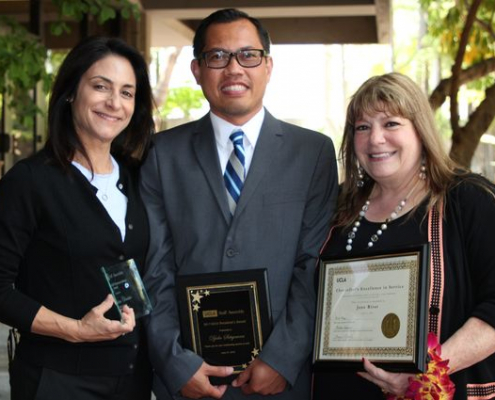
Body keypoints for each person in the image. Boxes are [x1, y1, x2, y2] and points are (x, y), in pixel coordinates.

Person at [140, 8, 338, 400]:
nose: (234, 68)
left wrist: (283, 358)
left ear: (268, 66)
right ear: (197, 70)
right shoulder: (162, 154)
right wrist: (176, 362)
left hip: (279, 380)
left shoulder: (312, 152)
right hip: (189, 379)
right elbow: (154, 269)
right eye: (218, 57)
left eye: (248, 55)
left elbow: (314, 265)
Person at [313, 72, 495, 399]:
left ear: (420, 130)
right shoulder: (336, 209)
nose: (375, 139)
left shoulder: (468, 201)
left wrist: (428, 371)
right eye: (362, 127)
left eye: (391, 124)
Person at [0, 36, 155, 399]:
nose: (114, 103)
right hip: (58, 381)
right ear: (71, 91)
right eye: (101, 86)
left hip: (134, 379)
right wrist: (74, 329)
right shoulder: (30, 180)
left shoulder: (138, 176)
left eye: (127, 93)